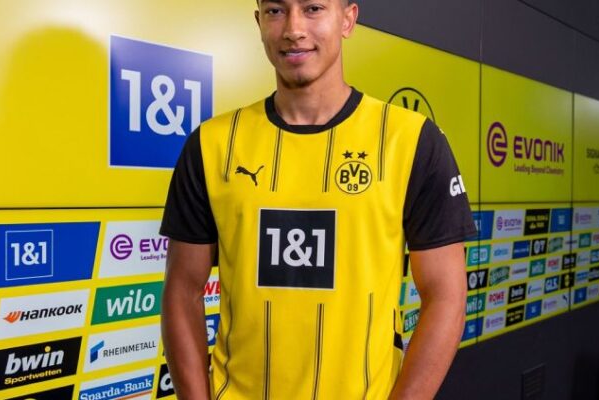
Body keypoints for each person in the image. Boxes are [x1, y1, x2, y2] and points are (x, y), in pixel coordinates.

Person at [159, 0, 476, 398]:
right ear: (259, 22)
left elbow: (446, 295)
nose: (293, 29)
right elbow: (182, 290)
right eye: (276, 11)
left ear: (348, 19)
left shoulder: (411, 140)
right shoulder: (212, 144)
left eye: (312, 8)